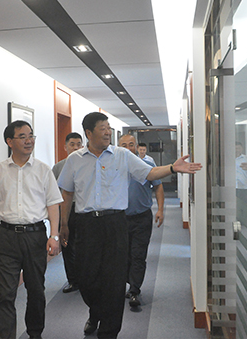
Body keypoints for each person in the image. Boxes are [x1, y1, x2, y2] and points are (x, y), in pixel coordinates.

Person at [58, 112, 201, 338]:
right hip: (86, 224)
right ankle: (95, 312)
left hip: (115, 223)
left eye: (109, 127)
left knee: (114, 280)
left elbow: (149, 172)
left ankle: (109, 331)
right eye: (103, 128)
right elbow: (66, 192)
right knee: (86, 278)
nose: (108, 132)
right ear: (89, 133)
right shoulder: (75, 160)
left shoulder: (122, 155)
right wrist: (63, 223)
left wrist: (173, 168)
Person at [0, 121, 62, 339]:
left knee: (36, 290)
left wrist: (54, 235)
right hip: (7, 237)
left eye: (31, 136)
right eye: (23, 136)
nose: (29, 140)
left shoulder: (43, 170)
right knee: (6, 293)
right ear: (10, 141)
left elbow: (53, 204)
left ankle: (35, 333)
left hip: (35, 236)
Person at [117, 134, 164, 311]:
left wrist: (160, 210)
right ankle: (126, 283)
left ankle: (135, 290)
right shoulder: (113, 165)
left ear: (136, 147)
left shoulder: (147, 165)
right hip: (119, 218)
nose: (128, 148)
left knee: (138, 254)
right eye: (124, 145)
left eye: (131, 144)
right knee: (122, 255)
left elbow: (158, 186)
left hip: (141, 217)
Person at [51, 131, 83, 293]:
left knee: (84, 246)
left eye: (78, 144)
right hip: (65, 211)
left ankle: (86, 280)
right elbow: (53, 193)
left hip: (83, 211)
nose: (76, 147)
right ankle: (73, 280)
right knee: (67, 246)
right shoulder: (58, 167)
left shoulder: (88, 164)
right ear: (65, 147)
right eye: (72, 144)